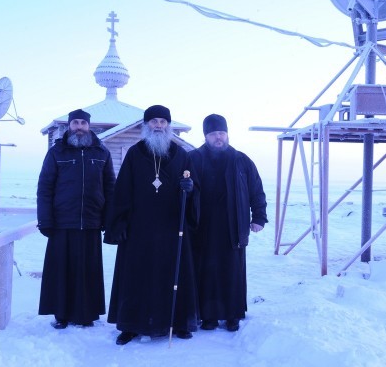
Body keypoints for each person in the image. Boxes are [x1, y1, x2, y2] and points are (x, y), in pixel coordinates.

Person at [104, 105, 199, 345]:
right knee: (135, 277)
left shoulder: (181, 154)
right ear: (146, 125)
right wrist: (120, 223)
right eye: (154, 121)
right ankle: (131, 325)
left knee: (173, 274)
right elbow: (123, 189)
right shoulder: (135, 153)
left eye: (163, 121)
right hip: (139, 228)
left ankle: (176, 323)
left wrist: (189, 190)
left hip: (171, 227)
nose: (158, 125)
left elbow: (193, 188)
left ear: (168, 125)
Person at [36, 108, 116, 329]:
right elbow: (44, 187)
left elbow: (110, 187)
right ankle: (61, 314)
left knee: (88, 270)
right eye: (75, 123)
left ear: (89, 126)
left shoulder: (101, 152)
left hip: (91, 221)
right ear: (69, 126)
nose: (79, 127)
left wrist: (109, 218)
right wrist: (45, 219)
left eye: (83, 123)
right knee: (62, 271)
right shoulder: (56, 153)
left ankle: (87, 314)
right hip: (62, 222)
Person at [188, 113, 267, 332]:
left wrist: (259, 217)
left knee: (232, 271)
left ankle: (233, 315)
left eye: (222, 133)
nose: (218, 138)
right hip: (202, 226)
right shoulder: (193, 159)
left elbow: (256, 190)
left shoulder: (241, 160)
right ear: (206, 136)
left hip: (234, 226)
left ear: (227, 134)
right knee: (206, 271)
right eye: (213, 134)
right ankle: (208, 316)